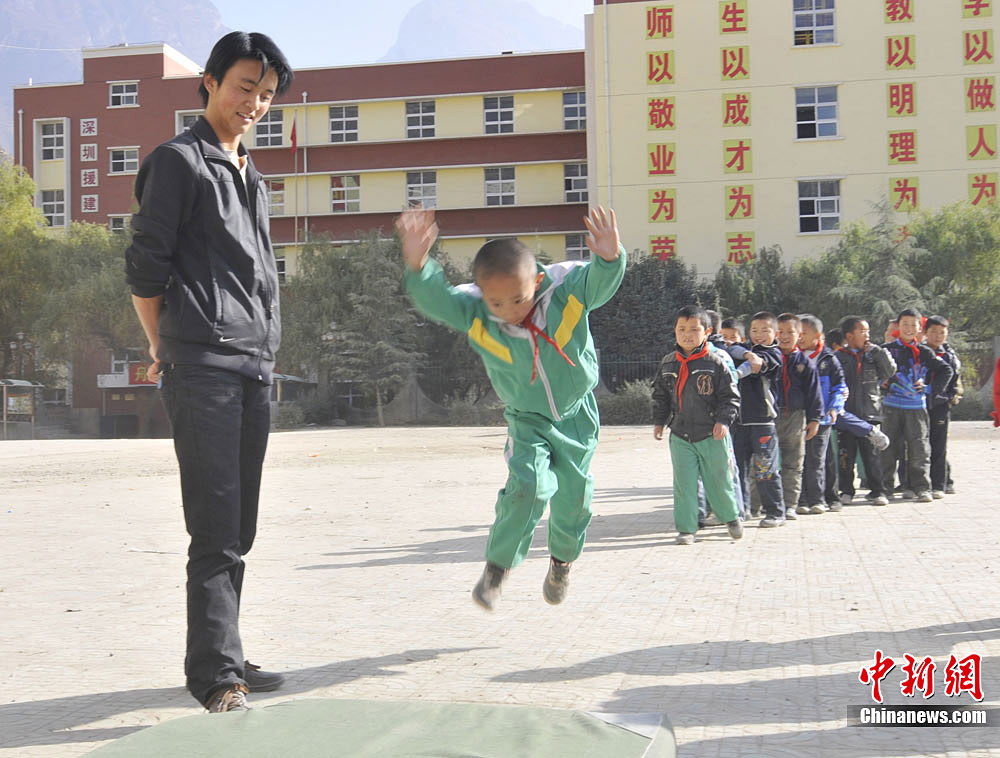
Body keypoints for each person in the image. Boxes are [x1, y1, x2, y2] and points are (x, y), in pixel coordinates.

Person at [125, 31, 293, 713]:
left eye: (267, 94)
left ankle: (222, 648)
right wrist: (162, 345)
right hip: (201, 365)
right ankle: (217, 677)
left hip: (253, 364)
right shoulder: (178, 163)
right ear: (210, 82)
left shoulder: (248, 171)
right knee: (216, 524)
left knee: (239, 524)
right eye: (244, 87)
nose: (254, 103)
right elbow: (145, 269)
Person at [396, 206, 625, 611]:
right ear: (483, 295)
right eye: (497, 303)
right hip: (527, 420)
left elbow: (598, 282)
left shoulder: (565, 292)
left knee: (574, 499)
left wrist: (609, 258)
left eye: (518, 299)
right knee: (528, 487)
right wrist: (418, 266)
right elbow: (437, 299)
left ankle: (561, 563)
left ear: (536, 281)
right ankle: (497, 569)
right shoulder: (476, 313)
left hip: (577, 415)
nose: (509, 310)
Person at [652, 306, 742, 544]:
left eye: (694, 329)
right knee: (684, 484)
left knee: (719, 479)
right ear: (675, 331)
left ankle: (730, 517)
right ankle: (686, 529)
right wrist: (659, 422)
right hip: (680, 434)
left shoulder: (716, 362)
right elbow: (660, 396)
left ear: (707, 332)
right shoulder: (668, 363)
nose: (687, 335)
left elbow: (730, 397)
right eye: (681, 329)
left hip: (712, 433)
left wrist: (723, 421)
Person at [880, 309, 953, 503]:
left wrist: (930, 389)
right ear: (898, 326)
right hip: (890, 406)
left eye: (914, 325)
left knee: (919, 448)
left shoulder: (925, 352)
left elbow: (946, 370)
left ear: (920, 328)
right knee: (887, 448)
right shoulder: (886, 350)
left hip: (916, 408)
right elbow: (871, 371)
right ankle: (884, 489)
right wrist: (881, 383)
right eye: (905, 324)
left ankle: (922, 488)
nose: (909, 328)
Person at [731, 312, 786, 527]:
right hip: (739, 423)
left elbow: (755, 366)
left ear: (775, 334)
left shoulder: (774, 354)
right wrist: (747, 354)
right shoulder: (744, 350)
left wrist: (738, 371)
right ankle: (741, 510)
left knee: (765, 470)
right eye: (754, 330)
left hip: (763, 423)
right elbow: (733, 349)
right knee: (738, 469)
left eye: (765, 330)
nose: (759, 334)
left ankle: (776, 512)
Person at [835, 317, 896, 507]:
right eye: (862, 331)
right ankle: (846, 491)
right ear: (849, 336)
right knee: (846, 456)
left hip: (870, 413)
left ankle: (878, 491)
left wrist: (879, 353)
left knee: (872, 455)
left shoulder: (873, 355)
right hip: (847, 415)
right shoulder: (839, 357)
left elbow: (889, 372)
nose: (867, 335)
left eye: (868, 331)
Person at [774, 313, 824, 520]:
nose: (785, 336)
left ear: (799, 335)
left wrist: (815, 419)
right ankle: (760, 504)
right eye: (780, 332)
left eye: (790, 332)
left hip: (795, 417)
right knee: (763, 462)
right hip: (769, 417)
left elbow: (814, 393)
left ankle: (790, 505)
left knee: (793, 463)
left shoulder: (805, 362)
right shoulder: (768, 358)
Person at [795, 315, 846, 515]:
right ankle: (800, 499)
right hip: (797, 418)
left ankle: (818, 499)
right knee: (798, 459)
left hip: (822, 418)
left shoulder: (829, 359)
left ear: (817, 336)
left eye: (804, 333)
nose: (799, 337)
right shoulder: (792, 356)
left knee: (817, 459)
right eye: (797, 333)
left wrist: (834, 408)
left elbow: (839, 387)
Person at [923, 315, 962, 497]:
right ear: (925, 332)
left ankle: (939, 485)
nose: (937, 336)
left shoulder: (949, 356)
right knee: (919, 446)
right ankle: (916, 483)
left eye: (942, 332)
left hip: (940, 406)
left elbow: (955, 381)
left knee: (938, 445)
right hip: (917, 405)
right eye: (933, 332)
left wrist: (949, 398)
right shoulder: (919, 352)